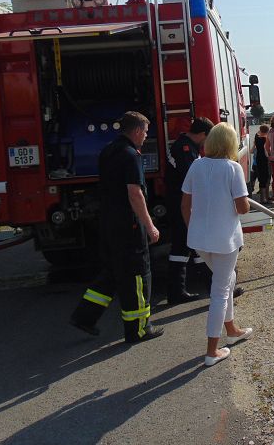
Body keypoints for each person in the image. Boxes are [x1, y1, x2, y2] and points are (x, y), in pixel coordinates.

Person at [69, 111, 164, 343]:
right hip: (129, 226)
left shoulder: (108, 151)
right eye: (146, 131)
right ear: (138, 130)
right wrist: (149, 225)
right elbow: (135, 193)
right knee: (138, 276)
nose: (146, 136)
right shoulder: (131, 155)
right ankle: (139, 328)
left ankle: (84, 316)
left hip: (109, 224)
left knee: (112, 273)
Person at [181, 123, 253, 366]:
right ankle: (212, 351)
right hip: (224, 240)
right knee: (221, 290)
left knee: (227, 279)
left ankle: (231, 329)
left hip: (199, 238)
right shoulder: (233, 169)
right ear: (230, 144)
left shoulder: (196, 165)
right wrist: (246, 202)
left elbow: (185, 204)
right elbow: (242, 208)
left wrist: (194, 228)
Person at [165, 117, 214, 305]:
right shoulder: (185, 150)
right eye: (207, 138)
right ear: (202, 134)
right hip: (182, 204)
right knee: (196, 243)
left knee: (182, 247)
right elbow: (193, 179)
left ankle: (177, 291)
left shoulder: (184, 146)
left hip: (179, 203)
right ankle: (211, 287)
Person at [252, 124, 270, 203]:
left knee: (261, 179)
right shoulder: (265, 139)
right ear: (266, 131)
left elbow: (259, 132)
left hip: (258, 159)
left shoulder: (256, 136)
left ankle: (263, 198)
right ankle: (264, 198)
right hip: (264, 160)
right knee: (265, 179)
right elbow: (267, 152)